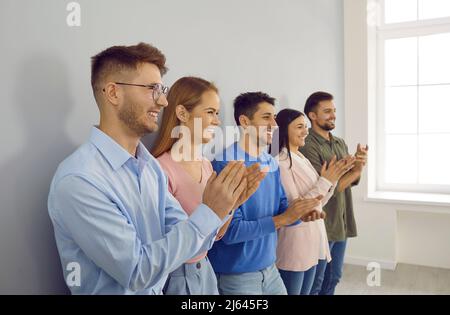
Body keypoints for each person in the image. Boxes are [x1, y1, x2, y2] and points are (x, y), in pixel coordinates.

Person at [47, 43, 249, 294]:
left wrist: (224, 207)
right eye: (152, 89)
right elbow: (137, 272)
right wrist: (209, 211)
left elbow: (193, 245)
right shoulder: (80, 180)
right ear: (113, 93)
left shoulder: (149, 168)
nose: (163, 101)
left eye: (161, 89)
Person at [152, 77, 265, 294]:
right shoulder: (160, 170)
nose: (217, 121)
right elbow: (170, 248)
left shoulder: (205, 164)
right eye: (210, 112)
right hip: (176, 276)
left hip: (205, 270)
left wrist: (231, 205)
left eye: (217, 113)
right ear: (183, 114)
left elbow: (217, 235)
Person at [208, 92, 323, 295]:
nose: (275, 125)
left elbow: (281, 208)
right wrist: (283, 219)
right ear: (244, 121)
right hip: (237, 276)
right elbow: (229, 233)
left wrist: (297, 215)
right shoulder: (226, 164)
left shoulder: (270, 162)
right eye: (266, 117)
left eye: (275, 117)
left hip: (270, 269)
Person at [272, 108, 353, 295]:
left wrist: (331, 179)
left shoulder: (301, 157)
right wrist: (325, 180)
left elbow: (318, 202)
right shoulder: (280, 163)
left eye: (306, 126)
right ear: (284, 130)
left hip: (315, 238)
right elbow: (296, 208)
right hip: (295, 244)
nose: (306, 131)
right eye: (300, 127)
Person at [300, 91, 368, 295]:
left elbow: (347, 182)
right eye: (327, 111)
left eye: (334, 111)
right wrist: (355, 169)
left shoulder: (339, 143)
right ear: (312, 115)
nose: (333, 115)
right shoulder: (307, 146)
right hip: (322, 222)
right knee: (317, 281)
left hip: (341, 219)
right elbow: (328, 188)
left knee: (334, 276)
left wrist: (357, 166)